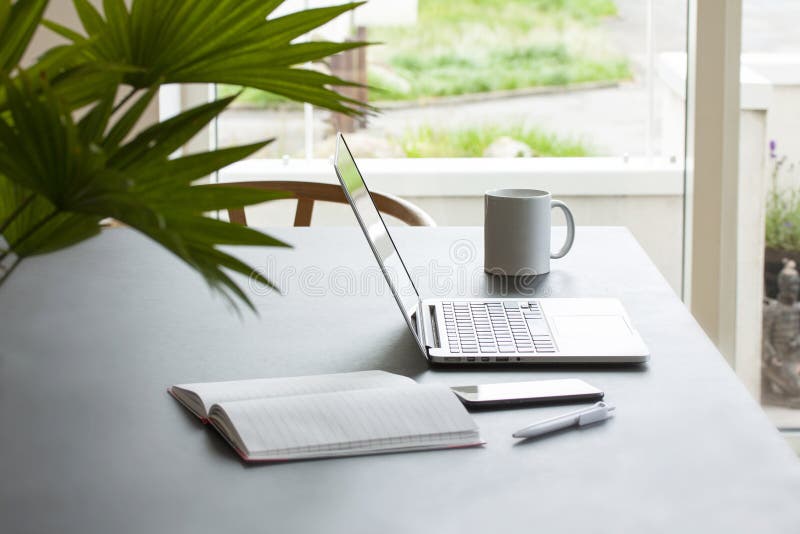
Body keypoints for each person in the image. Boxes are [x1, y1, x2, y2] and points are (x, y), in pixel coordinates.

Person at [763, 259, 800, 407]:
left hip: (796, 358)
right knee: (796, 387)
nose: (795, 288)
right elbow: (765, 337)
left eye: (796, 284)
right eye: (791, 285)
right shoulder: (773, 310)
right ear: (783, 285)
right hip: (781, 360)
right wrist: (772, 355)